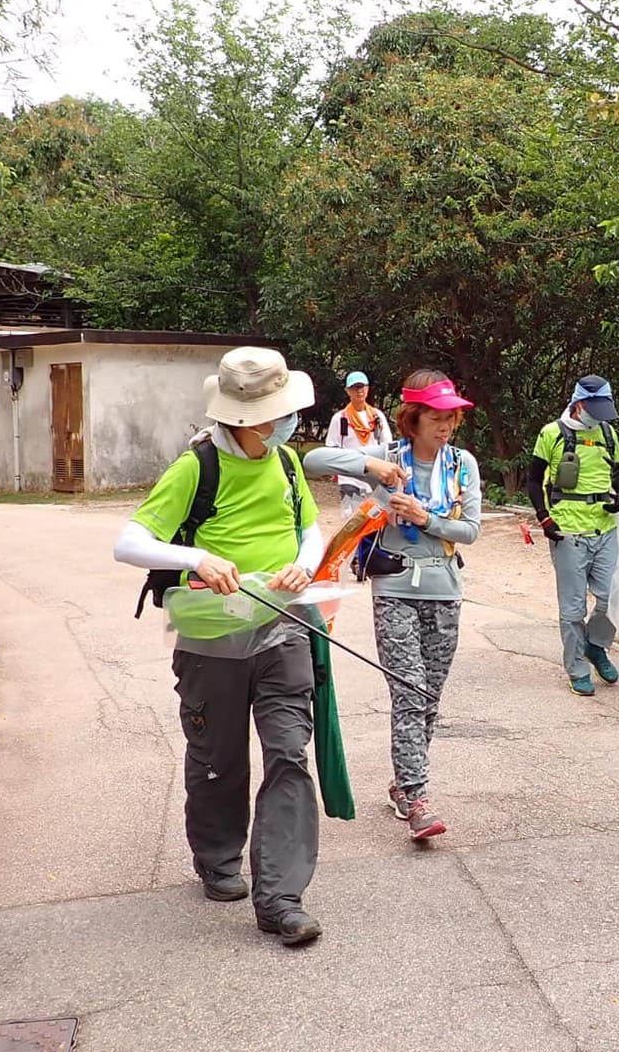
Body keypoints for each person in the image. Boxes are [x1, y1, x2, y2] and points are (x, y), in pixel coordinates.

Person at [111, 347, 328, 947]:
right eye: (280, 413)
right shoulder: (197, 467)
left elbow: (309, 532)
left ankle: (282, 897)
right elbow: (128, 542)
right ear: (248, 417)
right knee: (220, 756)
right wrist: (197, 557)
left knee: (288, 753)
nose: (287, 423)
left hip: (284, 629)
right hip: (211, 638)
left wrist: (304, 569)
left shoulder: (286, 463)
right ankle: (217, 856)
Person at [306, 370, 482, 842]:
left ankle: (403, 783)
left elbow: (472, 530)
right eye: (435, 418)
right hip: (395, 588)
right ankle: (418, 797)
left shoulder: (462, 465)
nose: (445, 427)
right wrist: (371, 468)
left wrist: (428, 518)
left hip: (445, 588)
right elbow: (315, 460)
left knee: (430, 699)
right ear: (413, 419)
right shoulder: (390, 458)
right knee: (410, 691)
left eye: (451, 418)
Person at [527, 375, 619, 696]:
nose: (601, 416)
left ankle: (596, 645)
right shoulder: (551, 434)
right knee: (573, 609)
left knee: (611, 599)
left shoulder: (608, 434)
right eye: (596, 409)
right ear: (580, 404)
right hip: (568, 532)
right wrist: (544, 519)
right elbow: (534, 480)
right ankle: (576, 668)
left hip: (605, 528)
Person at [324, 371, 392, 508]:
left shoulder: (376, 416)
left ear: (367, 388)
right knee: (351, 518)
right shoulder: (340, 418)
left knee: (372, 518)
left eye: (362, 387)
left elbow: (387, 444)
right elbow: (332, 448)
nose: (359, 391)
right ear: (347, 391)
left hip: (373, 475)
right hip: (349, 476)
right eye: (354, 387)